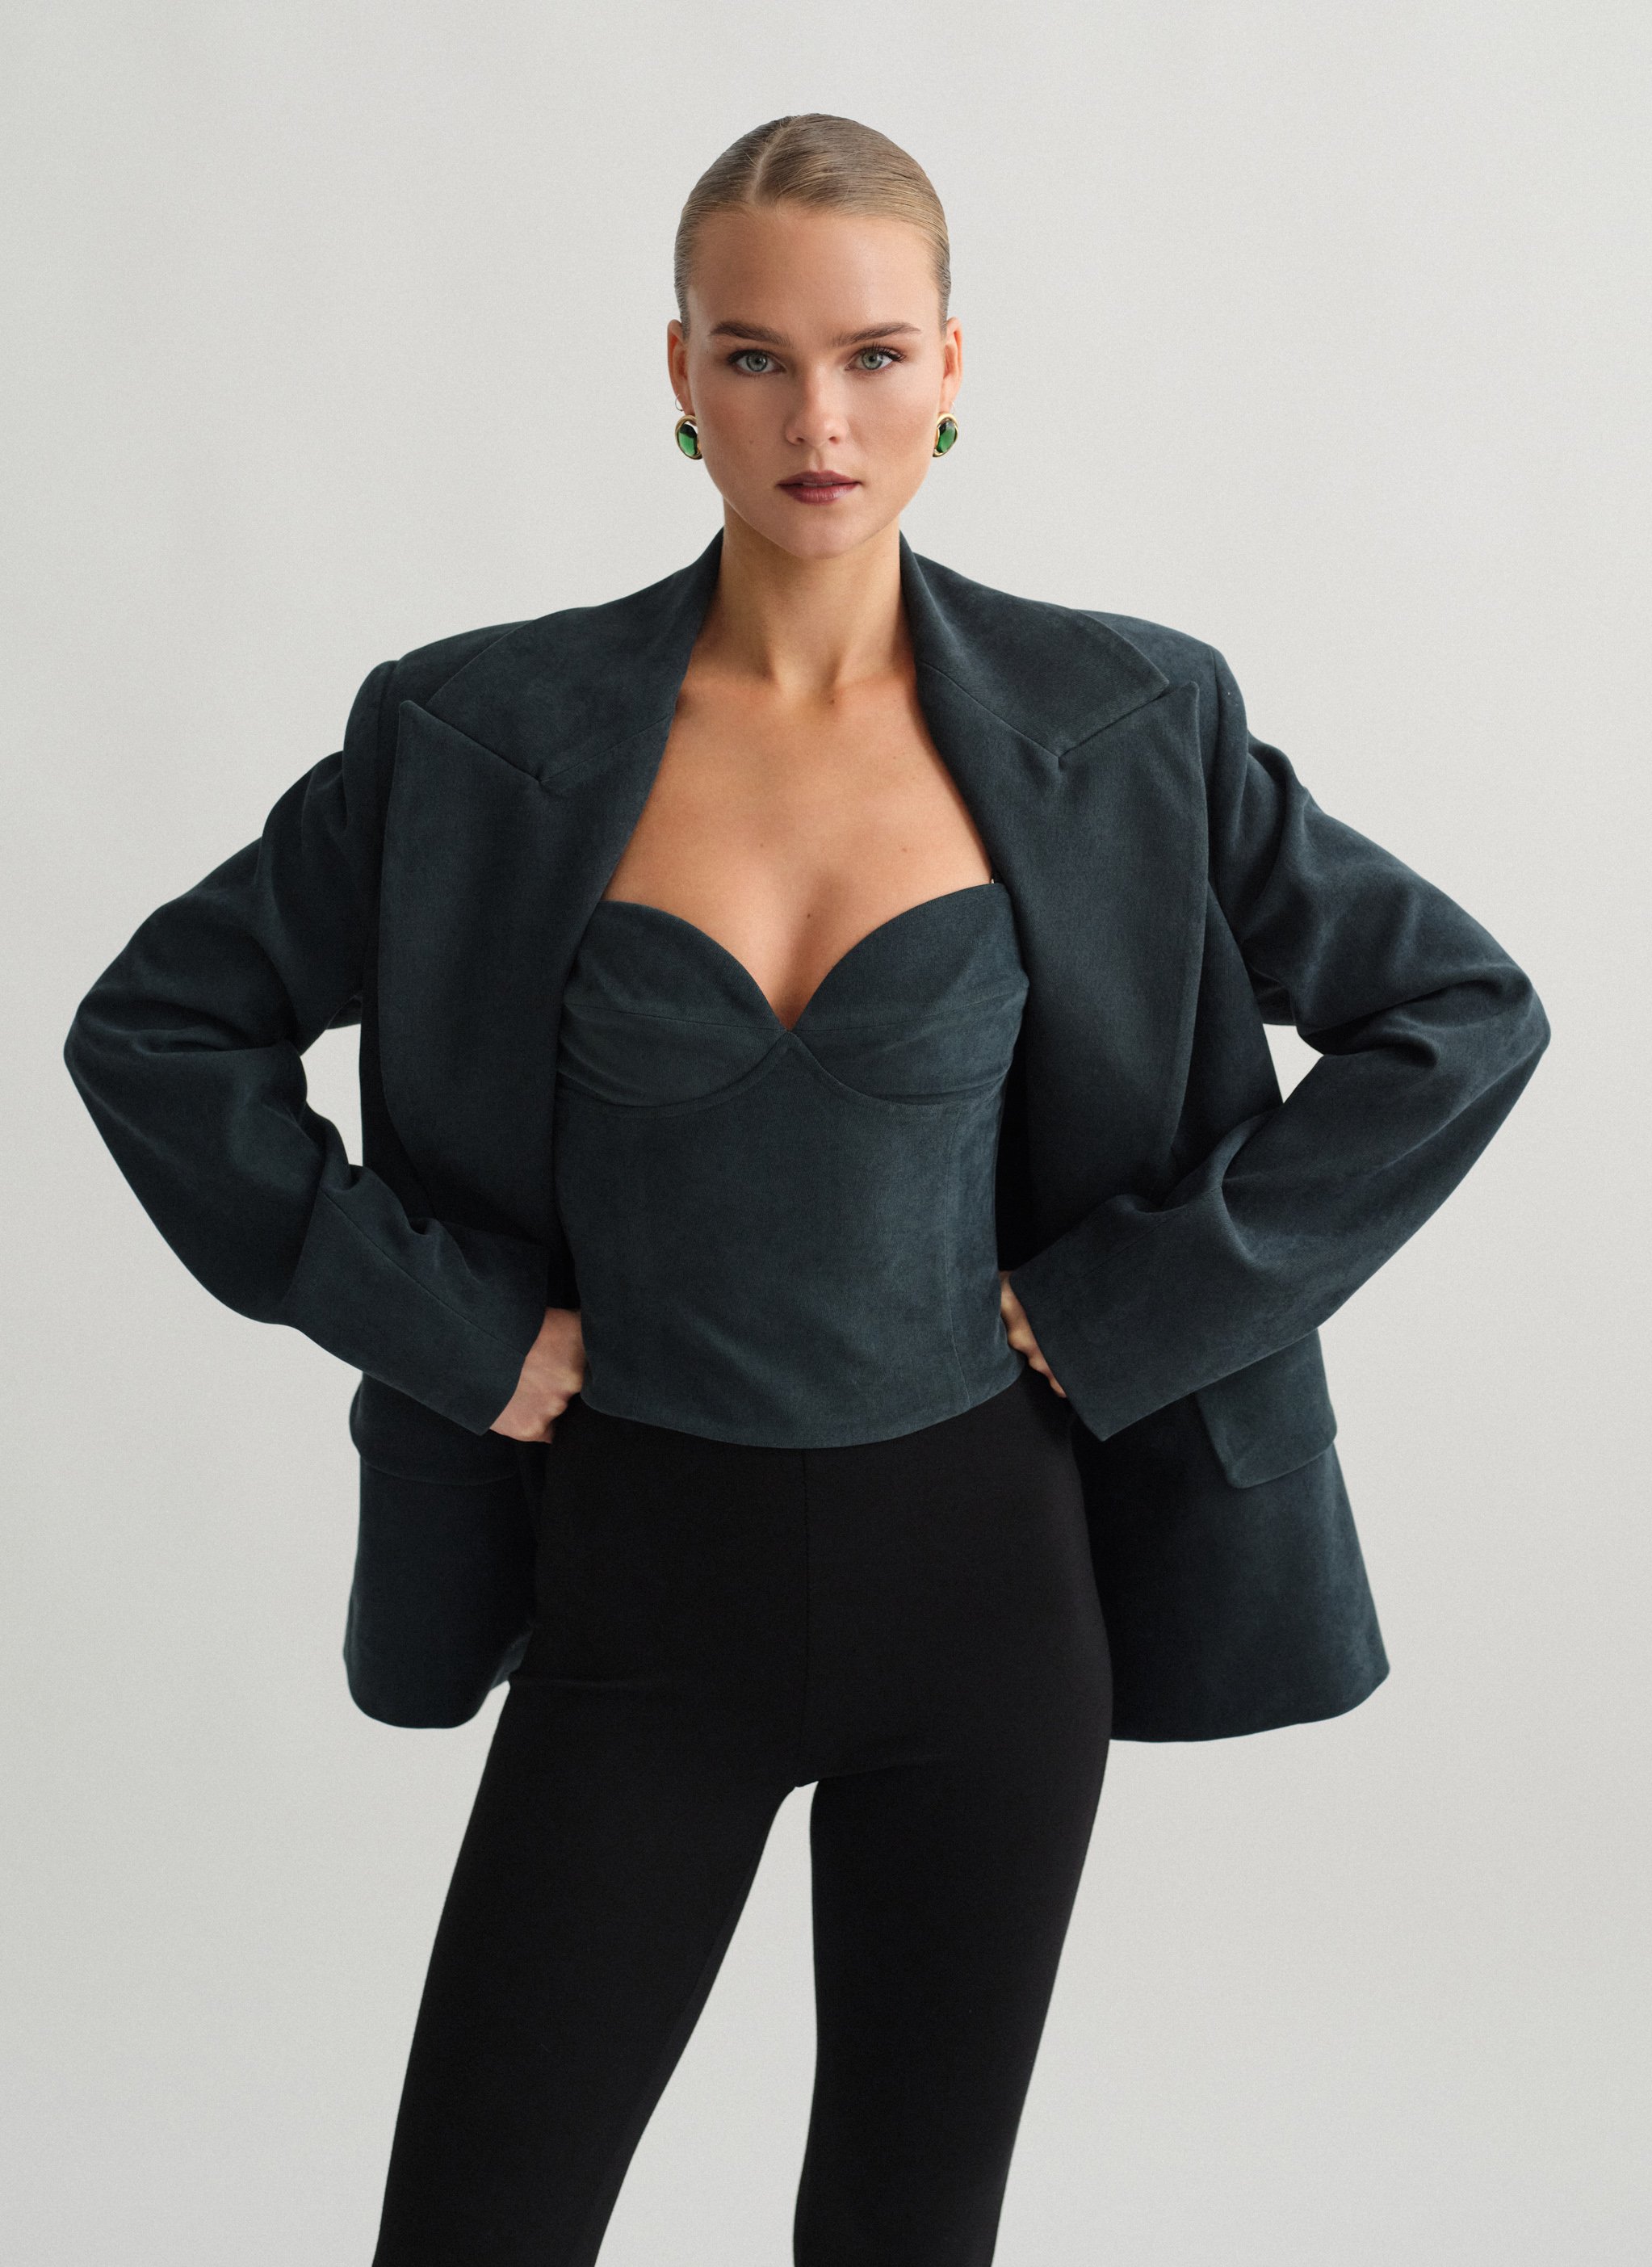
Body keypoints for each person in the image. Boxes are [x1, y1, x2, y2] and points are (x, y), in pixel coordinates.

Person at [63, 112, 1549, 2267]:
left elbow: (1457, 1016)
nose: (818, 421)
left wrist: (1131, 1305)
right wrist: (446, 1326)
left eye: (871, 356)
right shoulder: (475, 737)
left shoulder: (1127, 719)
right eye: (756, 357)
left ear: (952, 366)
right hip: (635, 1606)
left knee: (904, 2235)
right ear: (680, 373)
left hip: (995, 1609)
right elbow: (157, 1031)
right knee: (475, 2227)